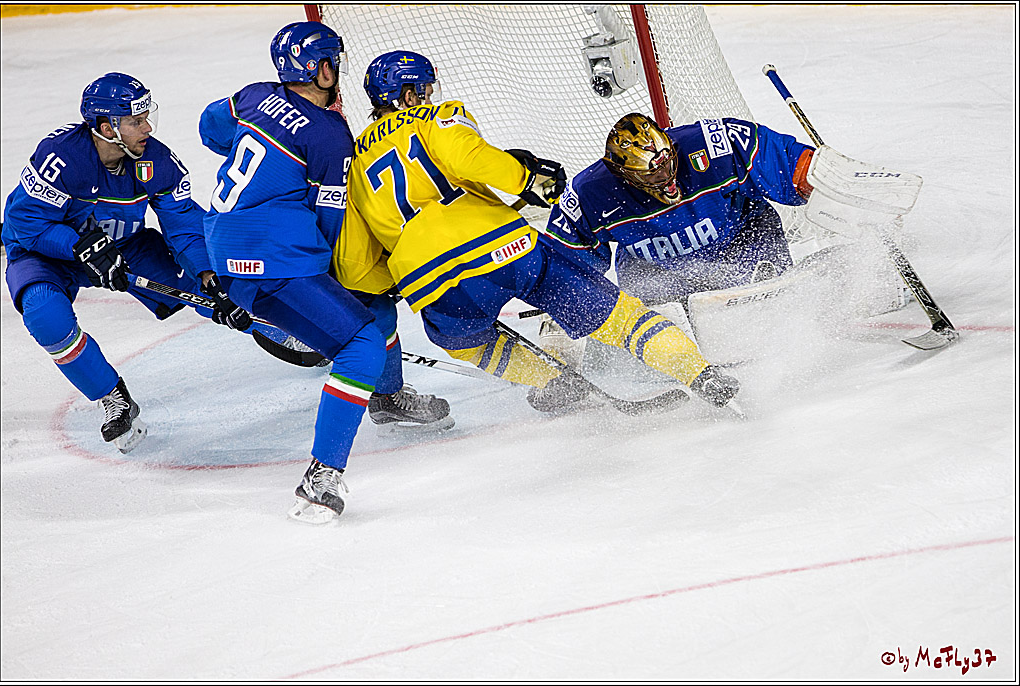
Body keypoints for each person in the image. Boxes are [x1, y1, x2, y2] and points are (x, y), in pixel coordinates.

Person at [334, 50, 740, 418]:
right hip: (504, 248)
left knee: (466, 342)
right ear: (407, 95)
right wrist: (527, 178)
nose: (427, 96)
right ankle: (700, 373)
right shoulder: (436, 117)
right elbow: (470, 158)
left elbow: (354, 267)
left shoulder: (351, 169)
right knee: (619, 317)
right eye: (423, 89)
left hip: (430, 281)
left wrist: (403, 277)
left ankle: (551, 381)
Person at [198, 22, 449, 524]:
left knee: (371, 308)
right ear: (322, 67)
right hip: (276, 259)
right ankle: (321, 477)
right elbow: (333, 223)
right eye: (335, 60)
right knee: (359, 342)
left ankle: (388, 397)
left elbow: (211, 129)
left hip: (225, 243)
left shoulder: (253, 95)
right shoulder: (330, 134)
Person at [1, 72, 252, 454]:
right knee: (45, 316)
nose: (147, 127)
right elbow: (24, 226)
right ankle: (111, 396)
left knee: (220, 287)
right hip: (46, 254)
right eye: (135, 121)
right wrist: (79, 247)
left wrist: (207, 272)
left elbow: (184, 224)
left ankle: (294, 332)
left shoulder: (156, 159)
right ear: (106, 127)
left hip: (124, 247)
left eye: (146, 117)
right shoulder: (61, 157)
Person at [534, 112, 815, 394]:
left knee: (773, 313)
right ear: (623, 174)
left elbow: (786, 162)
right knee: (651, 320)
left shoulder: (712, 142)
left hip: (742, 243)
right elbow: (563, 276)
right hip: (661, 271)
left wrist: (818, 178)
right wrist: (557, 357)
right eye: (653, 173)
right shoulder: (587, 194)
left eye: (668, 163)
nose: (667, 177)